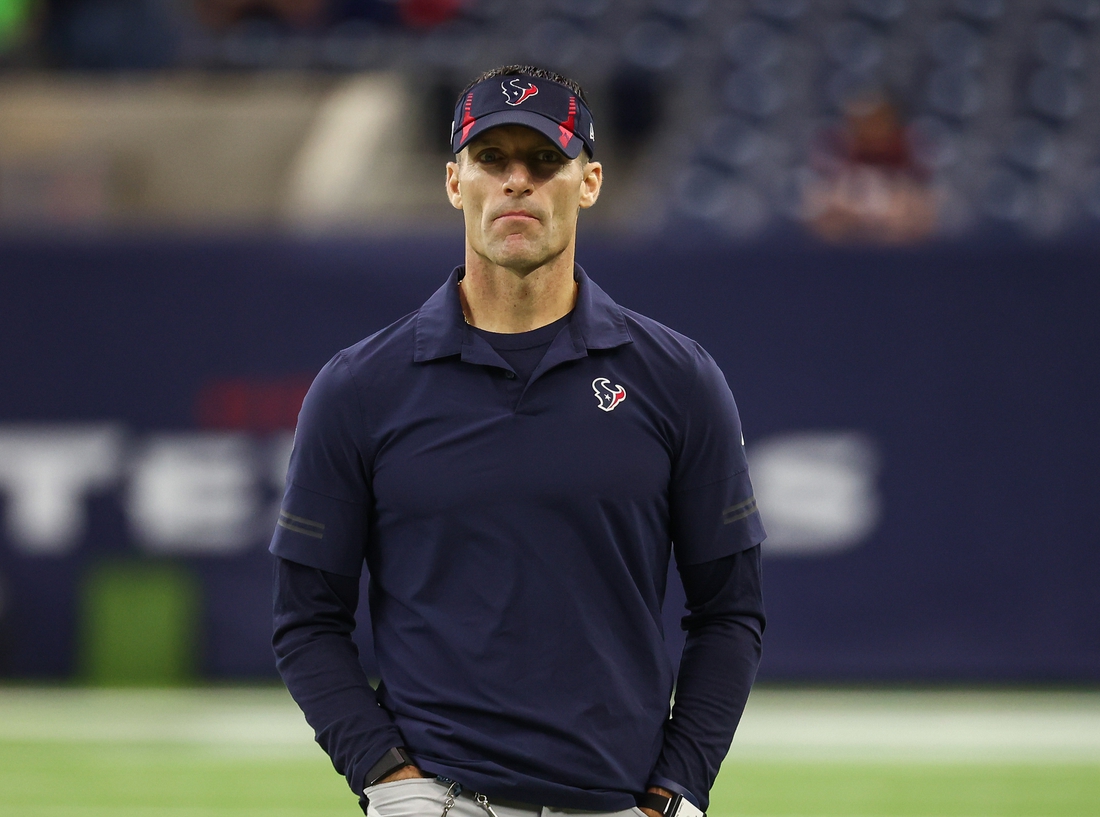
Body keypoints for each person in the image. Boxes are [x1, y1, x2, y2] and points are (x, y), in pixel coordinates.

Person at [271, 65, 766, 817]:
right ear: (453, 181)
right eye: (492, 159)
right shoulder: (360, 386)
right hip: (440, 797)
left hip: (617, 801)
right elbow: (306, 617)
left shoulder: (678, 379)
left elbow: (730, 611)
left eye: (543, 161)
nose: (516, 182)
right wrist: (386, 778)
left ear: (590, 181)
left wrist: (679, 790)